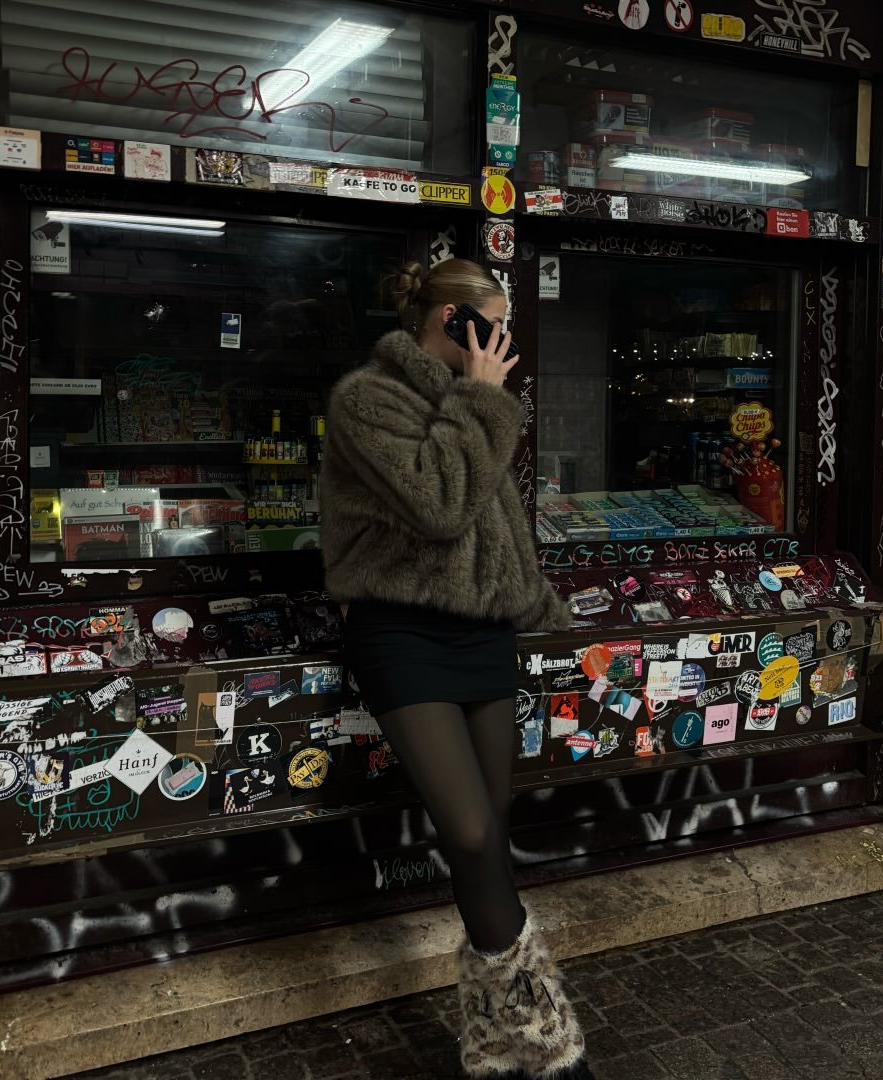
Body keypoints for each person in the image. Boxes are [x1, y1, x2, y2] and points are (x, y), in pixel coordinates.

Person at [320, 258, 594, 1080]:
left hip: (481, 640)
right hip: (402, 637)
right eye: (494, 325)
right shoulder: (366, 399)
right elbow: (439, 505)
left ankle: (490, 1044)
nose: (504, 341)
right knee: (469, 832)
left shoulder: (471, 402)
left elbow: (494, 527)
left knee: (489, 841)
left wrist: (541, 608)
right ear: (451, 320)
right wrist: (482, 400)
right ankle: (549, 1040)